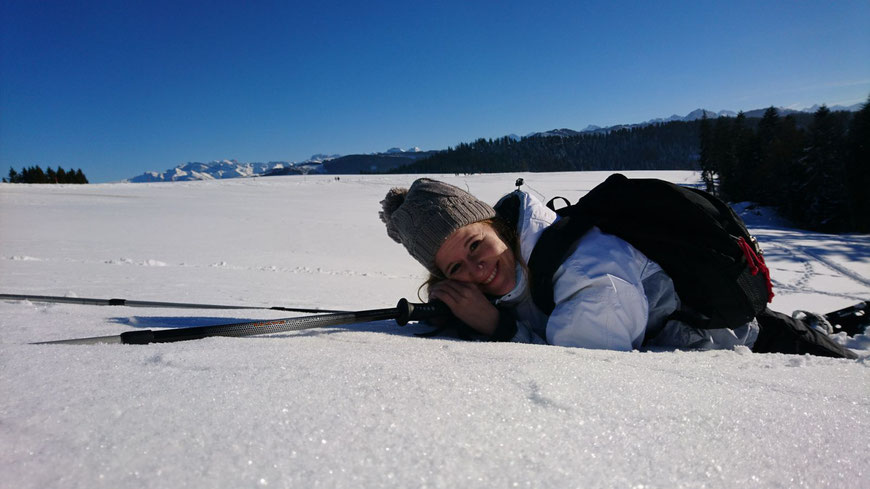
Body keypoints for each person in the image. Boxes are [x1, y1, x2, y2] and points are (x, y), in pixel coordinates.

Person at [379, 178, 857, 358]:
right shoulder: (529, 257)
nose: (476, 270)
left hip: (747, 345)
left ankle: (813, 329)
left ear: (497, 225)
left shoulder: (588, 271)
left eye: (475, 245)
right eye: (455, 268)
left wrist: (499, 328)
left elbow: (585, 370)